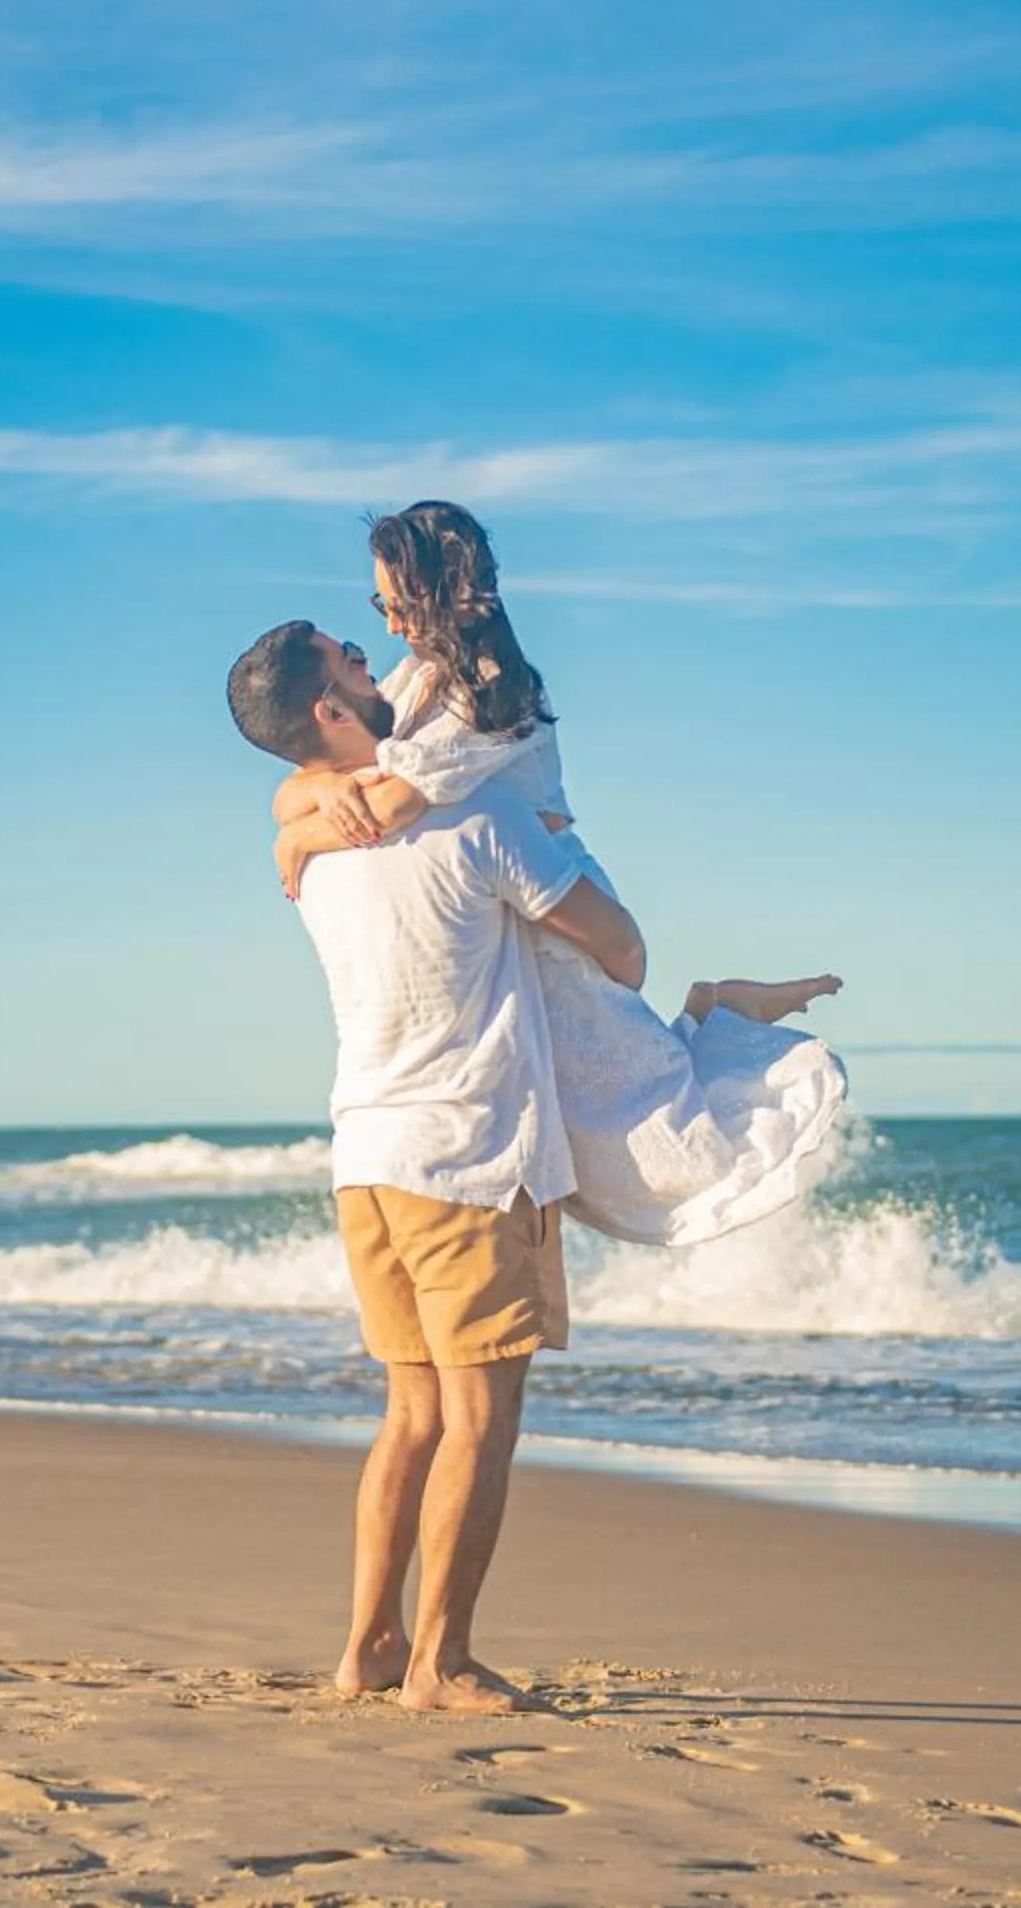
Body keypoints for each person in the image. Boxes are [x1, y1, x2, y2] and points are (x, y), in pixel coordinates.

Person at [228, 619, 646, 1713]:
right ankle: (441, 1662)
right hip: (468, 1159)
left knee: (411, 1414)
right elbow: (624, 946)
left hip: (366, 1155)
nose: (376, 662)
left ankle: (369, 1643)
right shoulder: (479, 820)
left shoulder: (310, 854)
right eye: (352, 663)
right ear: (328, 710)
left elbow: (301, 814)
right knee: (478, 1420)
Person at [271, 500, 847, 1248]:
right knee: (574, 1123)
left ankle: (720, 1015)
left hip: (554, 900)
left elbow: (398, 801)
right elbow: (327, 779)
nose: (387, 625)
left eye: (397, 602)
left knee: (652, 1140)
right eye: (378, 604)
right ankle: (706, 1013)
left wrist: (296, 842)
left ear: (445, 593)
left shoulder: (490, 690)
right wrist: (305, 806)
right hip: (504, 901)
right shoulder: (414, 681)